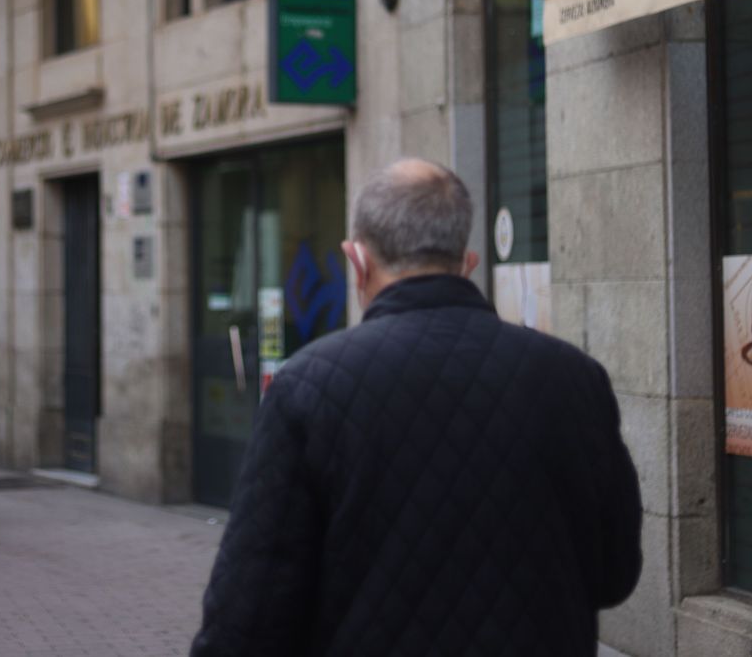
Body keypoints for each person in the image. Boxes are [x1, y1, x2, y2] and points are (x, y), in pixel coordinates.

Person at [191, 159, 643, 657]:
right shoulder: (574, 377)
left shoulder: (307, 387)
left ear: (357, 261)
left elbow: (247, 616)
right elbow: (615, 572)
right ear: (467, 262)